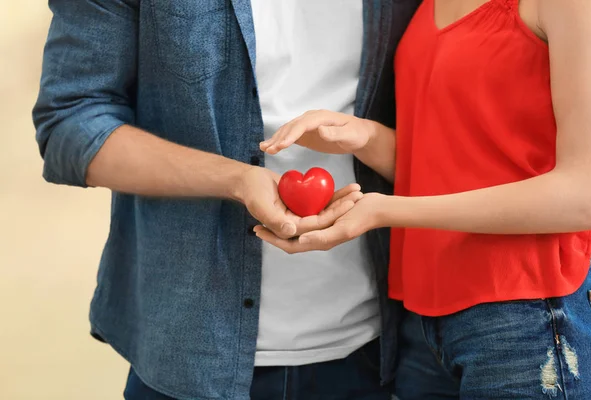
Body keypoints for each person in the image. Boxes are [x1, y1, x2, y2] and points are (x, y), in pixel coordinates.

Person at [32, 0, 425, 399]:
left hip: (383, 352)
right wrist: (235, 180)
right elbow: (71, 123)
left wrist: (375, 142)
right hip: (190, 354)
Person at [256, 0, 591, 398]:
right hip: (422, 324)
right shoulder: (426, 6)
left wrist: (388, 210)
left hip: (524, 316)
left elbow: (587, 194)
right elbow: (460, 162)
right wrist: (365, 137)